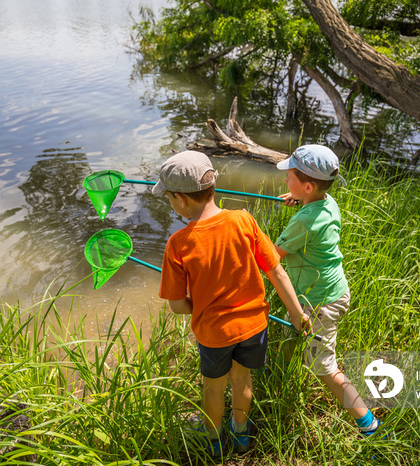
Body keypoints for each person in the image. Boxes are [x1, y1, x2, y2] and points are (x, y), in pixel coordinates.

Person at [153, 150, 311, 455]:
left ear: (181, 200)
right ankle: (240, 434)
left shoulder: (178, 244)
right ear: (213, 187)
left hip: (214, 335)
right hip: (254, 327)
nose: (172, 204)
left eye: (170, 199)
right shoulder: (244, 220)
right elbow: (276, 271)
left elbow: (176, 305)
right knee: (243, 379)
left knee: (214, 387)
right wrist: (296, 313)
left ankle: (212, 440)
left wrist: (198, 307)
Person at [274, 144, 381, 437]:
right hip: (323, 292)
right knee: (290, 337)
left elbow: (271, 257)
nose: (285, 180)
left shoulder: (305, 221)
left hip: (320, 302)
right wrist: (300, 200)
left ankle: (368, 423)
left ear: (307, 186)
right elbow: (314, 209)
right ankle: (278, 377)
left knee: (325, 369)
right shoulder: (325, 202)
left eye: (290, 178)